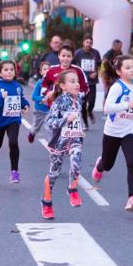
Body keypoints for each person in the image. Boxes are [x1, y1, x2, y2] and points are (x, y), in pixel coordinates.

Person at [92, 54, 133, 211]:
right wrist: (128, 104)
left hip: (130, 130)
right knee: (109, 164)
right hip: (113, 131)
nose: (132, 70)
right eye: (127, 67)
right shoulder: (117, 87)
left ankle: (132, 197)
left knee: (132, 162)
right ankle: (100, 165)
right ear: (119, 72)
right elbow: (107, 108)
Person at [40, 70, 86, 220]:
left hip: (75, 139)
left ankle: (72, 189)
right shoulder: (59, 101)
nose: (77, 84)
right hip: (59, 141)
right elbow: (49, 122)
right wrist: (66, 120)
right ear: (63, 86)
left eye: (77, 81)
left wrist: (80, 129)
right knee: (54, 173)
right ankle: (46, 202)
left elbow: (77, 118)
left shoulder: (79, 98)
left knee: (76, 161)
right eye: (72, 81)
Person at [0, 60, 30, 183]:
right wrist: (1, 97)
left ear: (15, 72)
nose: (9, 72)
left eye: (12, 69)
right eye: (6, 70)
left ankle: (14, 172)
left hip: (13, 119)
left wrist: (25, 105)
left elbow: (21, 99)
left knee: (13, 142)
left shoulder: (17, 86)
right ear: (0, 72)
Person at [41, 43, 89, 109]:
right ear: (59, 56)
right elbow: (43, 85)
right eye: (63, 56)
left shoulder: (78, 70)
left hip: (72, 108)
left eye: (68, 56)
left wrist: (77, 95)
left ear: (72, 57)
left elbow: (85, 88)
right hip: (54, 107)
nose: (66, 58)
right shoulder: (51, 70)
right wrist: (48, 92)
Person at [73, 35, 102, 127]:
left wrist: (96, 73)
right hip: (82, 82)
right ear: (83, 43)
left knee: (92, 101)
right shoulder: (78, 53)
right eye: (87, 42)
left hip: (92, 82)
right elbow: (73, 65)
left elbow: (100, 65)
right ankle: (85, 123)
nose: (88, 44)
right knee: (83, 103)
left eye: (90, 43)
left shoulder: (95, 53)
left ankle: (90, 111)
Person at [28, 62, 51, 144]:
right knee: (36, 128)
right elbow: (34, 96)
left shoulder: (54, 83)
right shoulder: (40, 83)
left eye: (49, 69)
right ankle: (32, 133)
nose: (47, 71)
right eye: (45, 69)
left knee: (49, 128)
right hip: (39, 110)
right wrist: (42, 99)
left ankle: (53, 147)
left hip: (50, 111)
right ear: (41, 72)